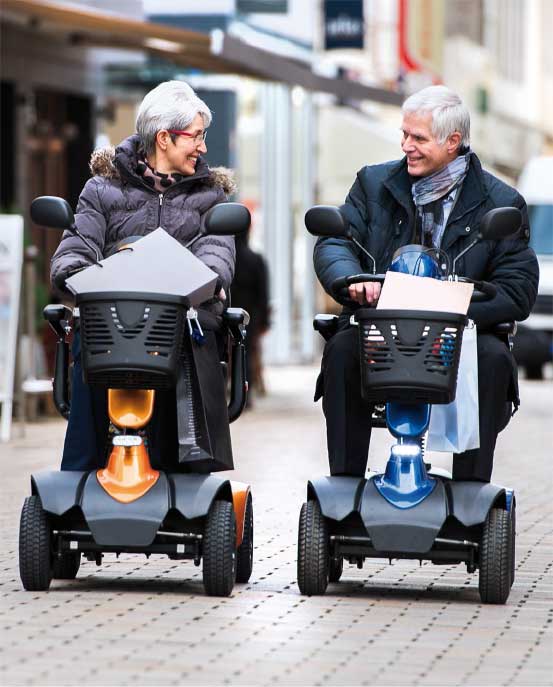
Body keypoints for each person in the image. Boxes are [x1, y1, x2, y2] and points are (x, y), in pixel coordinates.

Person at [314, 85, 539, 483]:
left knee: (493, 359)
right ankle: (343, 489)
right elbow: (336, 240)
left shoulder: (501, 201)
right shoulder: (372, 183)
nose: (406, 146)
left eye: (418, 138)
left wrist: (455, 303)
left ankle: (472, 493)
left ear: (453, 142)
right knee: (341, 351)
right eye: (404, 135)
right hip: (381, 331)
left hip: (459, 337)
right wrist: (350, 283)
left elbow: (517, 287)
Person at [50, 80, 237, 472]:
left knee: (192, 331)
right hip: (115, 316)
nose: (203, 147)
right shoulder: (101, 189)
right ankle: (82, 469)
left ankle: (188, 464)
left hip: (180, 316)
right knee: (91, 328)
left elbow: (216, 258)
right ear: (164, 138)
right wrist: (85, 273)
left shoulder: (212, 198)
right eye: (197, 136)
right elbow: (74, 251)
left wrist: (195, 280)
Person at [231, 225, 270, 403]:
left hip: (225, 313)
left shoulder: (228, 259)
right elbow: (263, 293)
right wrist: (265, 321)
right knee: (244, 353)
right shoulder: (256, 259)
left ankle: (223, 391)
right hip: (249, 316)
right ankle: (244, 396)